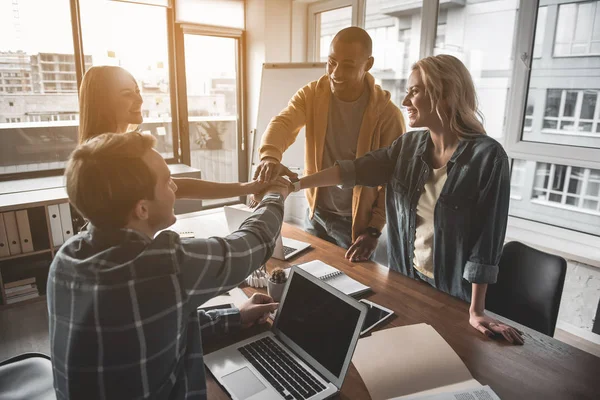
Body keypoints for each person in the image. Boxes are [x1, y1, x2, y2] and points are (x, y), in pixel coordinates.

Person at [286, 54, 524, 344]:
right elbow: (355, 170)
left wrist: (476, 311)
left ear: (444, 94)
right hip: (405, 282)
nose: (405, 100)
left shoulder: (488, 157)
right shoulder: (408, 146)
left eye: (414, 91)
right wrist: (295, 185)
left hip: (451, 293)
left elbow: (486, 244)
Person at [47, 132, 292, 399]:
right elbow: (251, 245)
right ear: (142, 209)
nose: (175, 187)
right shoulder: (162, 266)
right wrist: (275, 195)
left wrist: (233, 317)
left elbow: (154, 327)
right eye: (167, 182)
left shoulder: (66, 258)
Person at [253, 27, 405, 262]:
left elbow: (393, 182)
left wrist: (374, 229)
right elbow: (283, 123)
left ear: (369, 64)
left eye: (347, 65)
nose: (336, 73)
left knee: (352, 292)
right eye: (331, 62)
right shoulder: (313, 95)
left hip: (356, 227)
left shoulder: (388, 115)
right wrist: (270, 156)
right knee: (307, 278)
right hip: (316, 215)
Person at [78, 65, 271, 200]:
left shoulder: (120, 146)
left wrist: (247, 187)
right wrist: (249, 188)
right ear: (102, 102)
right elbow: (175, 187)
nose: (140, 100)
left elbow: (174, 186)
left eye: (137, 91)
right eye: (127, 94)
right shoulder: (104, 158)